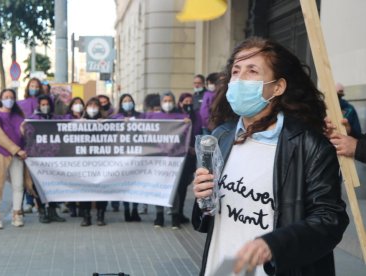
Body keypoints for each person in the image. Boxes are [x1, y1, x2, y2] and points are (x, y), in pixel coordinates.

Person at [192, 37, 349, 276]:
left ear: (278, 87)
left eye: (252, 70)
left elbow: (330, 220)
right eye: (236, 71)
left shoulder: (309, 145)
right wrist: (202, 197)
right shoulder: (221, 137)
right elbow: (207, 216)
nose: (240, 78)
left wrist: (273, 245)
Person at [0, 89, 33, 229]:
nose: (9, 99)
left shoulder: (19, 117)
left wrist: (24, 130)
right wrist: (17, 150)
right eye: (6, 97)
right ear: (0, 98)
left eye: (11, 97)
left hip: (18, 156)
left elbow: (23, 136)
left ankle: (17, 214)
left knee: (18, 186)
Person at [145, 91, 189, 228]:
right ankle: (159, 216)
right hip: (158, 158)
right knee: (158, 186)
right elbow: (142, 128)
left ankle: (175, 216)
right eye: (165, 100)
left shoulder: (181, 117)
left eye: (170, 100)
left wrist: (187, 122)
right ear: (161, 102)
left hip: (174, 159)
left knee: (173, 188)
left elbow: (185, 136)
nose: (168, 103)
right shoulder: (152, 117)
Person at [28, 95, 66, 223]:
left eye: (47, 104)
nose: (45, 107)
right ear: (39, 105)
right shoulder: (32, 119)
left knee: (54, 185)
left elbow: (68, 120)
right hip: (38, 159)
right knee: (39, 186)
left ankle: (53, 211)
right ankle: (42, 212)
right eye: (43, 104)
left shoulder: (55, 118)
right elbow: (28, 136)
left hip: (55, 158)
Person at [169, 92, 202, 229]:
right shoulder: (176, 115)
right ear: (180, 103)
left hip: (190, 157)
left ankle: (181, 212)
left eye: (190, 101)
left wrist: (194, 148)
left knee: (184, 185)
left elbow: (199, 132)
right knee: (176, 187)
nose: (188, 103)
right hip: (176, 157)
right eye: (185, 101)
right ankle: (174, 214)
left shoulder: (196, 115)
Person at [110, 94, 143, 222]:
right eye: (125, 101)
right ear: (121, 103)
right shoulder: (116, 117)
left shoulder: (140, 116)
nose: (128, 103)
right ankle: (126, 209)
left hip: (137, 154)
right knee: (125, 182)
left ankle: (135, 209)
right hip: (122, 155)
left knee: (135, 182)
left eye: (129, 100)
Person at [78, 97, 108, 227]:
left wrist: (107, 124)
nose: (93, 108)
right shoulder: (80, 122)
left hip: (102, 160)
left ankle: (101, 215)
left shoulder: (106, 121)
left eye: (96, 106)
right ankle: (86, 216)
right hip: (85, 160)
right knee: (85, 188)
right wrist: (78, 124)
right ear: (85, 108)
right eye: (90, 105)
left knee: (102, 187)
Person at [18, 77, 44, 213]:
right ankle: (28, 202)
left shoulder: (43, 103)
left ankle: (40, 202)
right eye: (32, 85)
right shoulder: (21, 103)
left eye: (36, 86)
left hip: (40, 143)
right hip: (25, 142)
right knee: (25, 173)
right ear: (27, 87)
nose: (34, 88)